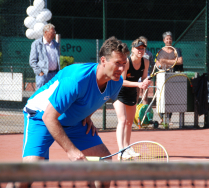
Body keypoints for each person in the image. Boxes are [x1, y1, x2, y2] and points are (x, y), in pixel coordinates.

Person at [10, 37, 129, 188]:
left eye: (124, 64)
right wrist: (71, 151)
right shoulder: (77, 79)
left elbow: (99, 98)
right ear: (103, 60)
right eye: (117, 63)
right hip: (41, 117)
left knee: (104, 162)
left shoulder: (115, 81)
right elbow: (49, 116)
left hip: (72, 122)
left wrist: (86, 115)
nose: (121, 69)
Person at [114, 38, 151, 160]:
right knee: (122, 120)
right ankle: (121, 150)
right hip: (118, 92)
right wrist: (138, 84)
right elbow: (121, 81)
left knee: (129, 123)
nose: (141, 50)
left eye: (143, 48)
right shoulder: (127, 62)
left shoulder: (145, 62)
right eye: (138, 48)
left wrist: (146, 82)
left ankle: (127, 147)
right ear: (132, 50)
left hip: (131, 93)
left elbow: (144, 78)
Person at [159, 31, 184, 123]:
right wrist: (172, 61)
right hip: (163, 76)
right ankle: (162, 118)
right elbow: (158, 63)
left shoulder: (177, 50)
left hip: (174, 76)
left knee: (171, 97)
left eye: (170, 38)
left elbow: (180, 61)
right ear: (164, 40)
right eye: (167, 39)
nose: (169, 40)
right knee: (162, 96)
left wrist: (165, 61)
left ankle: (168, 118)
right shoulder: (160, 51)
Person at [29, 23, 60, 90]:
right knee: (41, 96)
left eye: (54, 32)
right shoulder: (36, 44)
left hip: (54, 75)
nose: (54, 34)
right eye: (52, 32)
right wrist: (40, 72)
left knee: (53, 95)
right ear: (46, 32)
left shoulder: (55, 44)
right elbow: (32, 61)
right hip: (43, 75)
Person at [136, 36, 155, 104]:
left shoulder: (149, 54)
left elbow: (153, 64)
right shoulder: (136, 53)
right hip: (137, 76)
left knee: (144, 97)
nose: (145, 44)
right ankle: (134, 113)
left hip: (146, 76)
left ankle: (145, 114)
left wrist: (151, 75)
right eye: (144, 42)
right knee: (136, 96)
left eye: (146, 42)